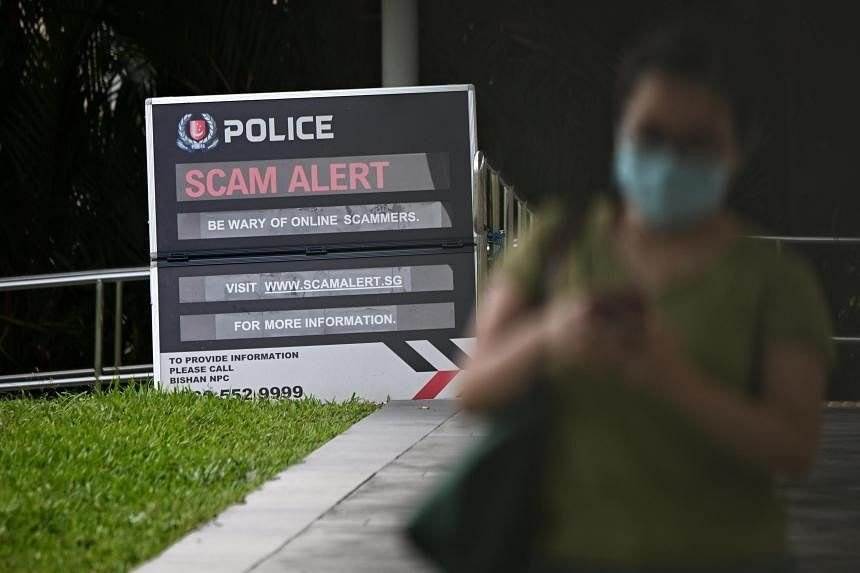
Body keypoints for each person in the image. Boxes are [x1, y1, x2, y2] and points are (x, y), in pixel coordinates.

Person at [458, 21, 834, 573]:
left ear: (738, 150)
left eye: (697, 142)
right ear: (620, 132)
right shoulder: (559, 242)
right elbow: (474, 388)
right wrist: (551, 334)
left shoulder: (775, 281)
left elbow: (795, 447)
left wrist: (672, 377)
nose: (669, 159)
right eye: (651, 134)